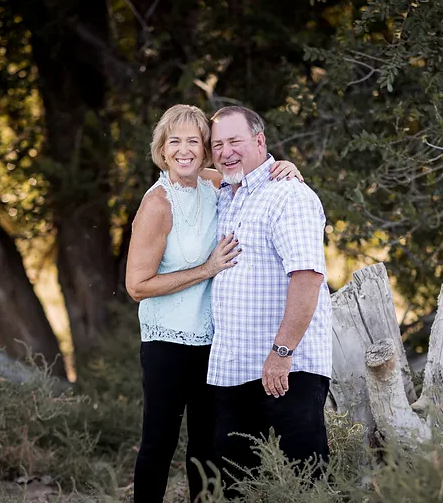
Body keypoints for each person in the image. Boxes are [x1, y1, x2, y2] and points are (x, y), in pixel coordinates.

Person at [125, 104, 302, 503]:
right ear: (162, 150)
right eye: (175, 142)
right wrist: (207, 269)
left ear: (205, 148)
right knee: (159, 443)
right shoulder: (158, 203)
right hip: (167, 343)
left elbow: (255, 170)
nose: (184, 150)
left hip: (211, 343)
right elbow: (136, 285)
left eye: (194, 141)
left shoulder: (213, 182)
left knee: (205, 448)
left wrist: (285, 166)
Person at [207, 105, 332, 497]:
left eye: (234, 141)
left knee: (302, 482)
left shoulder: (288, 195)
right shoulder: (227, 195)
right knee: (236, 486)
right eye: (217, 144)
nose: (225, 151)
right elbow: (186, 170)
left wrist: (282, 351)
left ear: (260, 141)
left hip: (285, 369)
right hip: (232, 368)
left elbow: (307, 276)